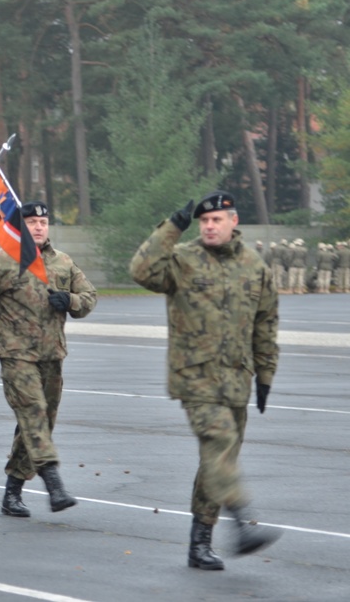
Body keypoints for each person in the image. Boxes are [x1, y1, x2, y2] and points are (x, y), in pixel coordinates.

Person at [130, 190, 282, 571]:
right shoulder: (182, 260)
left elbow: (265, 324)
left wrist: (265, 374)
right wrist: (172, 228)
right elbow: (141, 271)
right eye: (203, 221)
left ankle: (200, 544)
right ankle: (243, 523)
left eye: (217, 220)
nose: (209, 226)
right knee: (219, 443)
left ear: (234, 222)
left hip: (236, 379)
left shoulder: (255, 266)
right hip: (194, 377)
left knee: (217, 460)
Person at [0, 200, 96, 517]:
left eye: (43, 222)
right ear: (18, 226)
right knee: (34, 414)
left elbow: (89, 297)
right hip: (16, 357)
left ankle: (12, 492)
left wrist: (71, 300)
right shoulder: (2, 262)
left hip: (52, 357)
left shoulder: (63, 263)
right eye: (32, 222)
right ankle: (54, 484)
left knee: (39, 424)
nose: (39, 227)